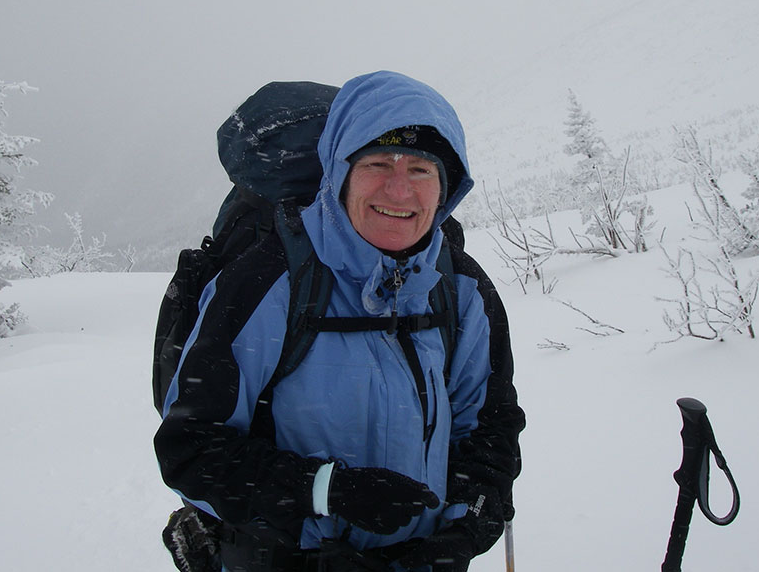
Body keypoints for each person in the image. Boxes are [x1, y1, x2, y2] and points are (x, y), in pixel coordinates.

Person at [154, 70, 524, 571]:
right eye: (376, 163)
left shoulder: (459, 289)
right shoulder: (270, 282)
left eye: (421, 169)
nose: (399, 189)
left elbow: (489, 426)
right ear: (339, 173)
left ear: (447, 187)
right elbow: (191, 448)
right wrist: (326, 490)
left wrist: (468, 518)